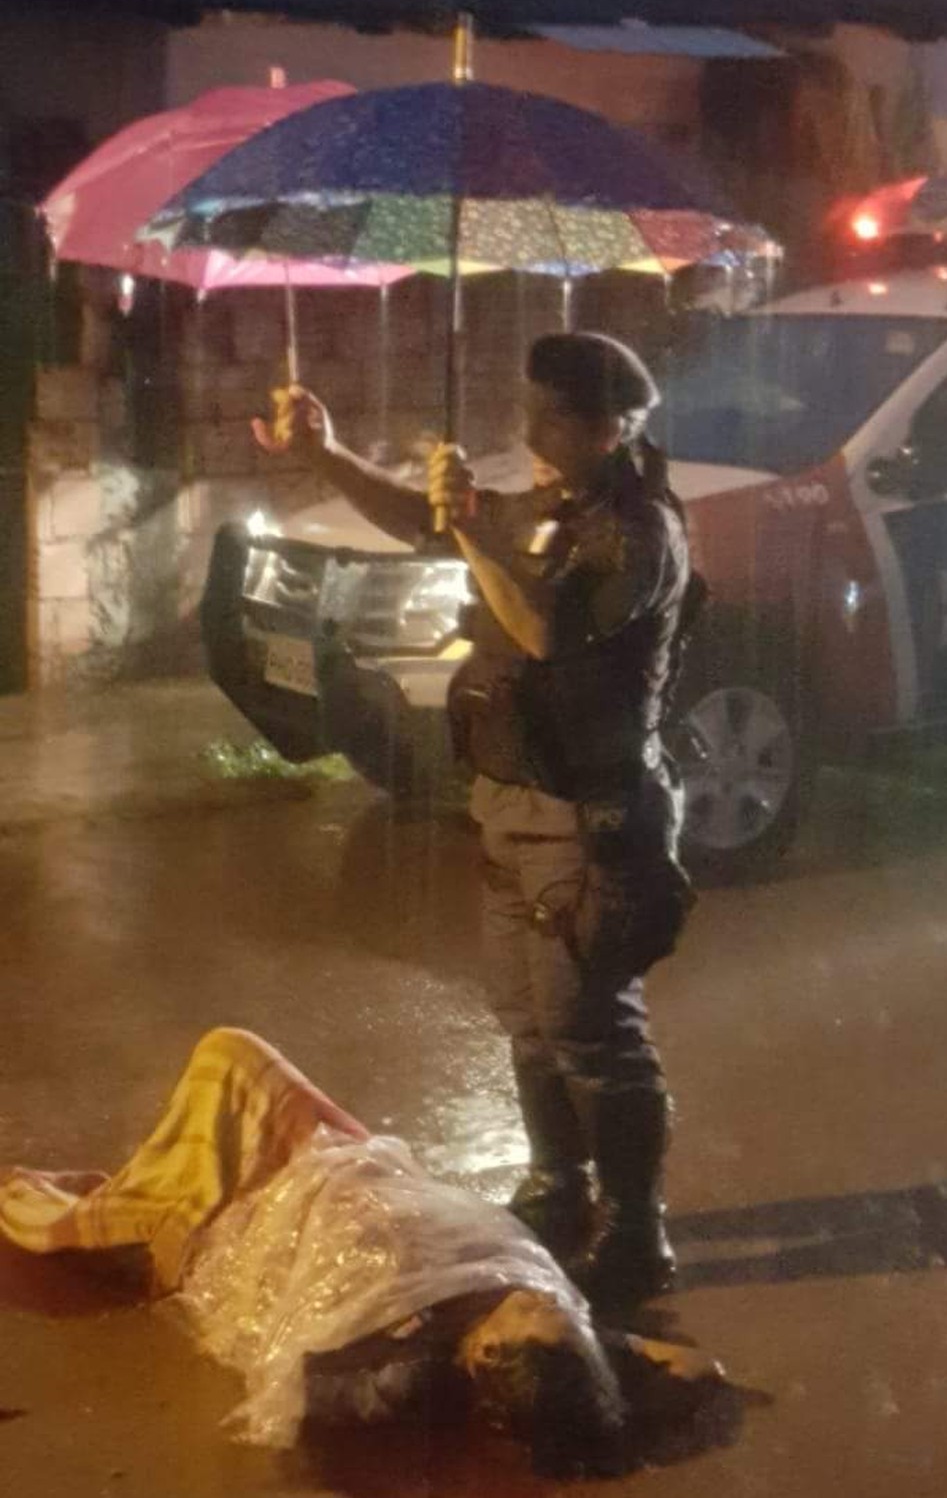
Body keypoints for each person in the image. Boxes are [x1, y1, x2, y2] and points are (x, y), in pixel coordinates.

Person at [252, 333, 701, 1309]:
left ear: (610, 427)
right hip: (507, 805)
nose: (529, 431)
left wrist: (471, 533)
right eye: (528, 409)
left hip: (591, 820)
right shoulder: (554, 505)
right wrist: (330, 455)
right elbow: (424, 521)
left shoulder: (641, 530)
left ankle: (636, 1228)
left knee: (592, 1033)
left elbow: (547, 627)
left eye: (552, 417)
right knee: (528, 1027)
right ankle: (556, 1186)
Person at [0, 1028, 726, 1479]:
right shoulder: (548, 1339)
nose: (538, 1298)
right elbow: (696, 1367)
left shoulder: (409, 1349)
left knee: (226, 1064)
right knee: (231, 1061)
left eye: (529, 1318)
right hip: (341, 1164)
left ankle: (143, 1197)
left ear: (484, 1357)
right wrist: (616, 1404)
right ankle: (176, 1174)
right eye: (558, 1317)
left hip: (287, 1200)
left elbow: (298, 1370)